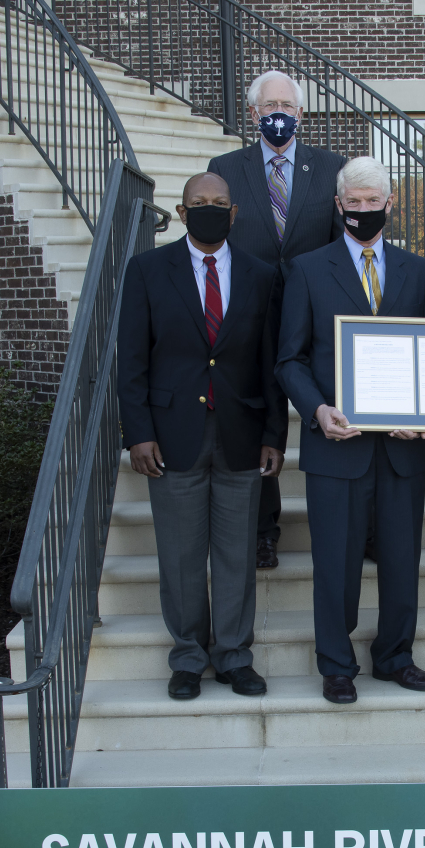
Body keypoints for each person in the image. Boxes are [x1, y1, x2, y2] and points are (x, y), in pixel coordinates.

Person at [274, 156, 425, 705]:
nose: (363, 210)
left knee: (400, 557)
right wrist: (317, 410)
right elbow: (290, 360)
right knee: (336, 562)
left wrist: (424, 417)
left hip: (399, 450)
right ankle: (336, 663)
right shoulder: (307, 269)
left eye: (374, 201)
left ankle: (395, 655)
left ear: (390, 204)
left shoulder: (417, 271)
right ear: (339, 205)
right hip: (335, 444)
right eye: (354, 202)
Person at [116, 172, 288, 701]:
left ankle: (234, 655)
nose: (209, 209)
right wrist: (137, 432)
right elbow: (132, 361)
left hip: (241, 433)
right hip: (171, 437)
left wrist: (274, 434)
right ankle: (188, 657)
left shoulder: (262, 276)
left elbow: (270, 364)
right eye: (198, 203)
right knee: (181, 555)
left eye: (219, 202)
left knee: (237, 553)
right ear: (182, 211)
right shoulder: (147, 270)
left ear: (234, 213)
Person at [208, 70, 347, 572]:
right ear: (252, 114)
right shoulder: (224, 167)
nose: (279, 113)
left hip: (316, 316)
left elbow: (340, 246)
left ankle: (358, 524)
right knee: (256, 420)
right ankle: (264, 530)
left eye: (287, 105)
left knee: (333, 408)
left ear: (302, 113)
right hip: (252, 314)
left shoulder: (331, 168)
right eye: (269, 106)